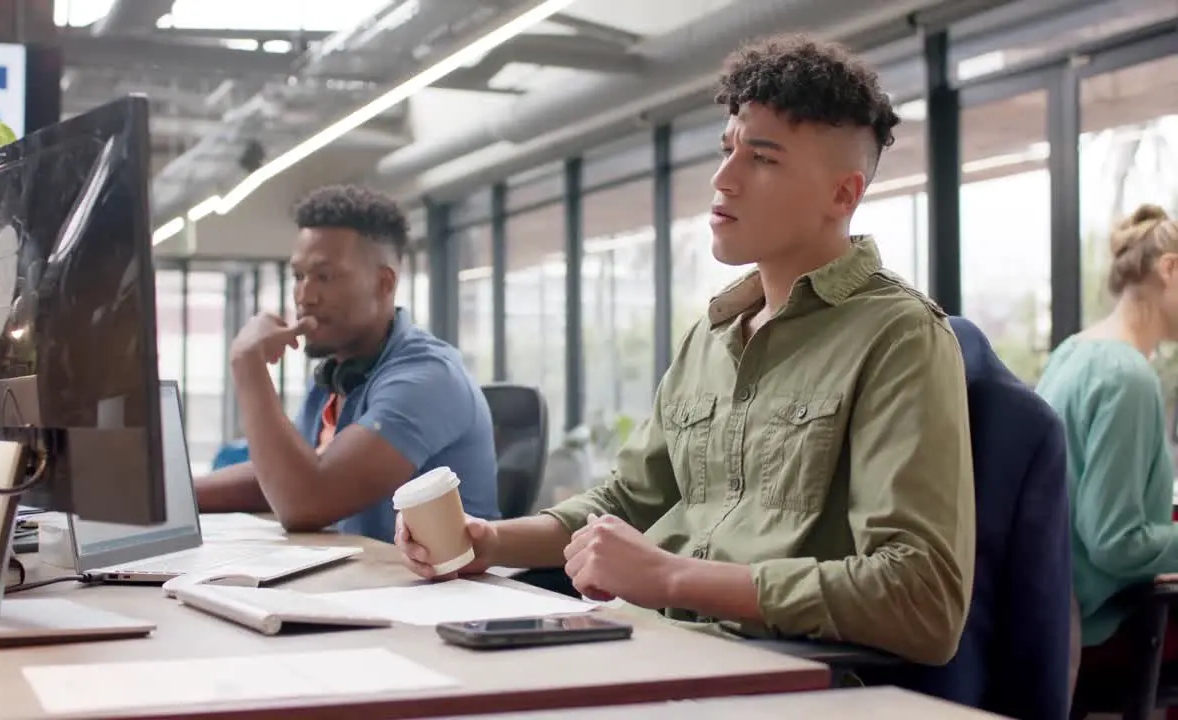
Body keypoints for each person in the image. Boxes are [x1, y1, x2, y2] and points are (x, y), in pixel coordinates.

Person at [396, 33, 976, 665]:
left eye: (764, 158)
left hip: (766, 673)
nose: (722, 178)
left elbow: (922, 600)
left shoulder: (899, 336)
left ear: (843, 195)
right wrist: (490, 543)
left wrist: (671, 578)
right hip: (643, 643)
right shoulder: (714, 334)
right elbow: (624, 501)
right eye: (727, 149)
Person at [195, 185, 500, 539]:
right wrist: (168, 499)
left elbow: (304, 503)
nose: (304, 296)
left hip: (440, 589)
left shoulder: (427, 378)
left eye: (324, 277)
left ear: (383, 283)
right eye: (298, 276)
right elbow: (282, 476)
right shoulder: (336, 374)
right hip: (366, 578)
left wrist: (247, 366)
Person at [1037, 205, 1178, 693]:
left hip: (1047, 611)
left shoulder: (1072, 353)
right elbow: (1117, 541)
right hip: (1101, 626)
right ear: (1169, 269)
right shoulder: (1127, 375)